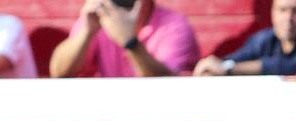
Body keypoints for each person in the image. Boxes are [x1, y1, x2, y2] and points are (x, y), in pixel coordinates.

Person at [50, 0, 200, 78]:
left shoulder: (175, 26)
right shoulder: (98, 18)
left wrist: (130, 43)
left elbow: (170, 86)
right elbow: (59, 72)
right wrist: (87, 32)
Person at [194, 0, 296, 77]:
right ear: (272, 12)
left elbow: (293, 65)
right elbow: (231, 61)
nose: (288, 18)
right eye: (282, 10)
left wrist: (228, 69)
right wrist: (212, 69)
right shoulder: (264, 40)